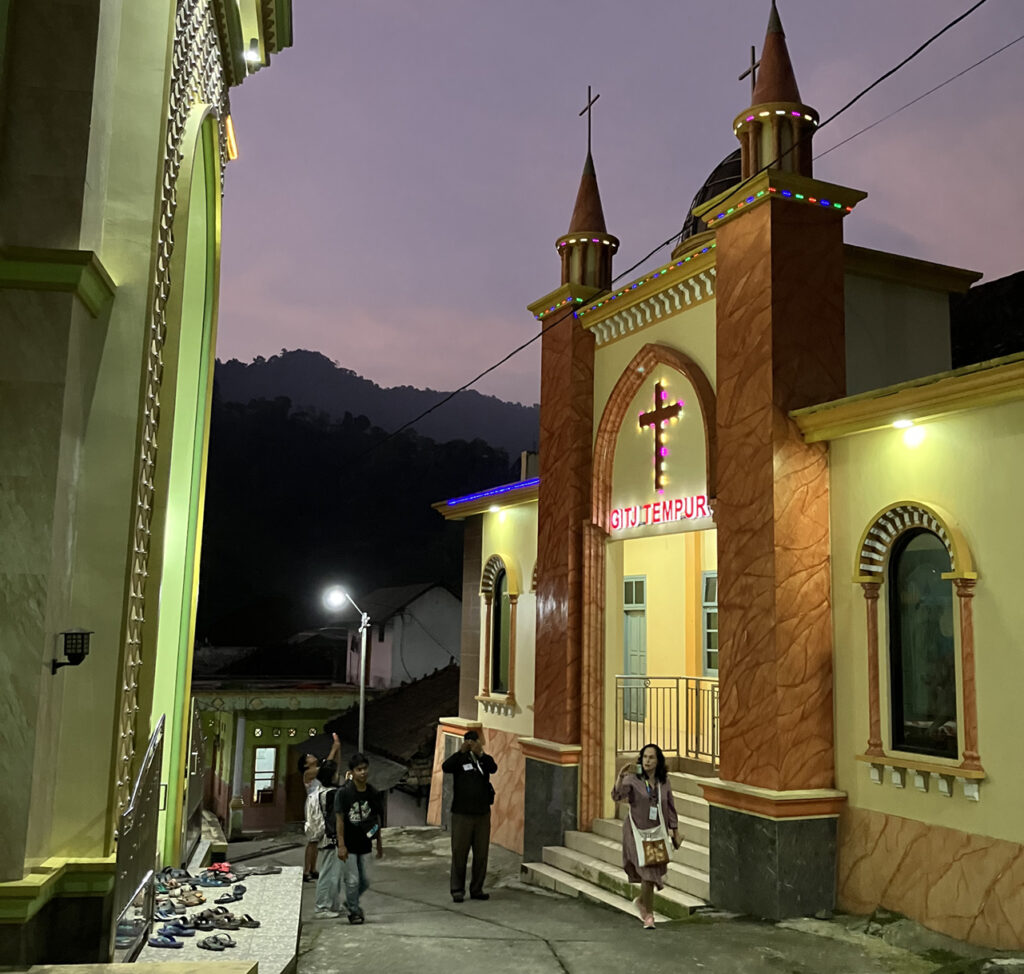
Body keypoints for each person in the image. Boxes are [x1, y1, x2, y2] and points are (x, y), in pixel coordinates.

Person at [611, 743, 680, 929]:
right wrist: (620, 777)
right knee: (647, 873)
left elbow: (670, 807)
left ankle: (642, 901)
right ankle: (649, 915)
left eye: (651, 757)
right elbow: (617, 796)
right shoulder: (633, 779)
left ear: (658, 761)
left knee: (651, 873)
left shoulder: (663, 782)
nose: (647, 761)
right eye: (645, 757)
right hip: (636, 832)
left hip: (656, 832)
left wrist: (675, 830)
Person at [441, 730, 497, 902]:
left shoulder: (483, 759)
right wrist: (460, 752)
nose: (471, 744)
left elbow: (493, 768)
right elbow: (446, 767)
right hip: (461, 814)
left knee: (481, 854)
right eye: (468, 741)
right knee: (459, 852)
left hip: (482, 813)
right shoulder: (460, 759)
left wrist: (480, 753)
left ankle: (477, 888)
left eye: (474, 741)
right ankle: (457, 889)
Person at [334, 752, 384, 924]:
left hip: (365, 842)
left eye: (365, 769)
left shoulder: (372, 793)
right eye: (359, 769)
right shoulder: (344, 793)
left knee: (365, 881)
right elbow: (339, 819)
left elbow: (376, 818)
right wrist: (341, 844)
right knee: (353, 880)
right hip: (348, 842)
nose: (362, 772)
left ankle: (350, 901)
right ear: (352, 772)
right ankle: (354, 911)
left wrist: (379, 842)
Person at [301, 732, 340, 882]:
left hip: (319, 801)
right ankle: (306, 870)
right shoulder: (309, 773)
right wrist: (334, 748)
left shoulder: (320, 771)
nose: (312, 756)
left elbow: (332, 766)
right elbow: (327, 767)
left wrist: (337, 749)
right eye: (308, 756)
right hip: (313, 804)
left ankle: (312, 868)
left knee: (316, 839)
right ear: (306, 764)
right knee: (312, 838)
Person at [310, 760, 344, 918]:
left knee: (334, 873)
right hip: (331, 837)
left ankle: (333, 904)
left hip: (327, 836)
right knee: (328, 873)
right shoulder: (331, 794)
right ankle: (322, 907)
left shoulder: (321, 791)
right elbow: (334, 819)